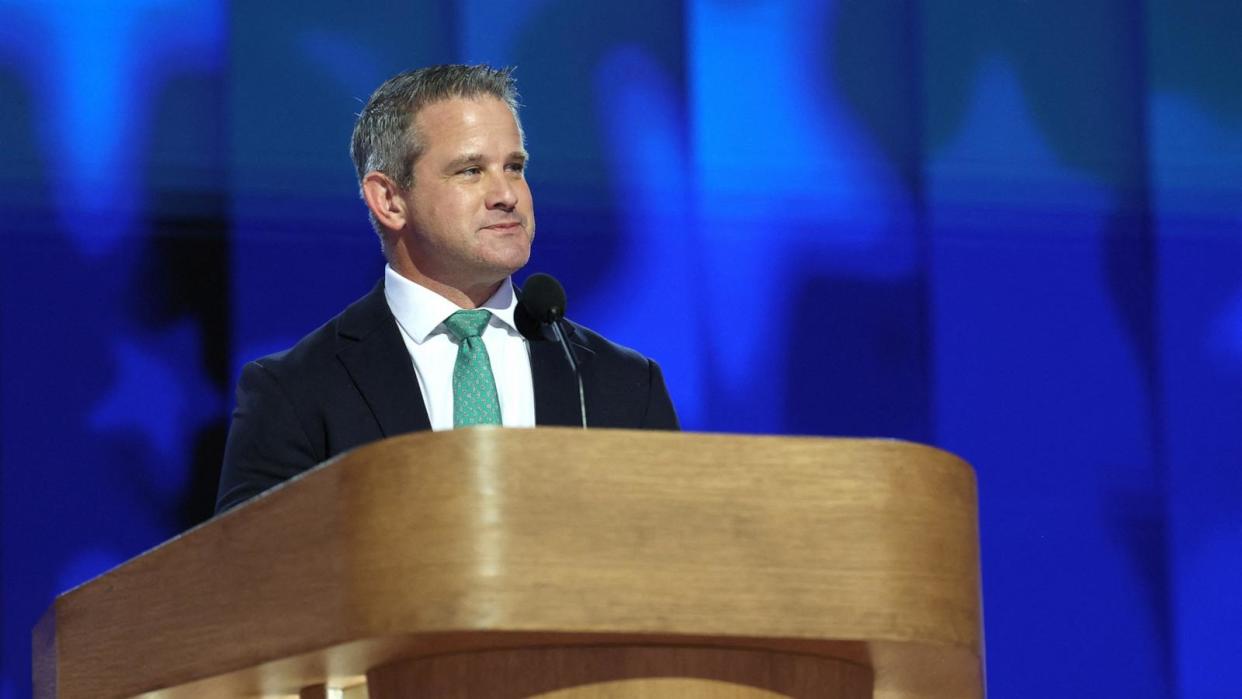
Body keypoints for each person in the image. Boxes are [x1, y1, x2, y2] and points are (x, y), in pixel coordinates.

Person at [215, 65, 679, 513]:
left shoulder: (622, 385)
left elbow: (682, 561)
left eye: (514, 167)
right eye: (471, 171)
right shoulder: (295, 392)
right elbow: (252, 575)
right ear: (390, 200)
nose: (507, 195)